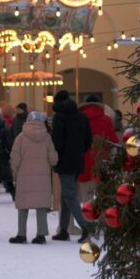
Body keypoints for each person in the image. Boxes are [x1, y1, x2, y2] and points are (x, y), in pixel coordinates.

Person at [50, 90, 93, 243]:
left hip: (64, 161)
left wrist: (56, 155)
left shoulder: (59, 117)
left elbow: (57, 141)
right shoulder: (81, 116)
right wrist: (79, 151)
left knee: (68, 194)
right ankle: (63, 230)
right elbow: (89, 139)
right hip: (78, 159)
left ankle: (85, 227)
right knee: (65, 194)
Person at [9, 110, 57, 244]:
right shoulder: (47, 137)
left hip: (24, 176)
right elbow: (53, 159)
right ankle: (41, 235)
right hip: (43, 178)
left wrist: (16, 169)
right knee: (41, 206)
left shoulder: (21, 137)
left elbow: (15, 158)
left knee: (23, 206)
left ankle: (21, 234)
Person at [78, 94, 116, 205]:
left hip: (84, 161)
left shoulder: (79, 119)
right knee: (103, 196)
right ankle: (102, 220)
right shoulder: (107, 119)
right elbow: (113, 140)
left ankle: (88, 221)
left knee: (87, 198)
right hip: (102, 161)